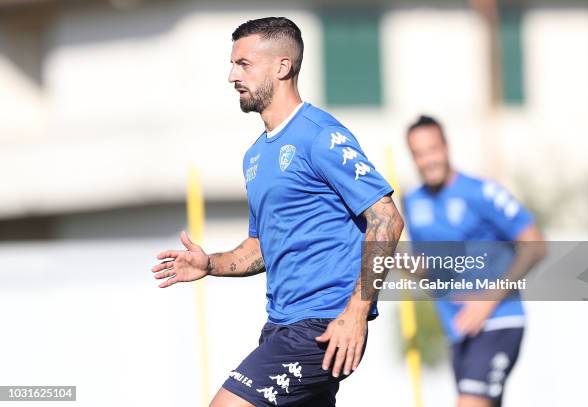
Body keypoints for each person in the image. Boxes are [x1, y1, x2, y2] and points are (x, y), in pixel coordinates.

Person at [151, 17, 403, 407]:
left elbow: (387, 218)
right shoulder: (256, 155)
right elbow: (260, 248)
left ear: (282, 67)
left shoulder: (321, 135)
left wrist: (356, 311)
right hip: (280, 326)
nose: (232, 75)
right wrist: (210, 263)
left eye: (244, 64)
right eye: (233, 64)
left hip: (321, 327)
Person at [402, 115, 546, 407]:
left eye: (433, 149)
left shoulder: (481, 192)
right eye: (419, 154)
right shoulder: (413, 202)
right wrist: (392, 257)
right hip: (459, 332)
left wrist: (488, 300)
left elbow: (536, 245)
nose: (428, 160)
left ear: (446, 147)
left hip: (498, 321)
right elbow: (433, 272)